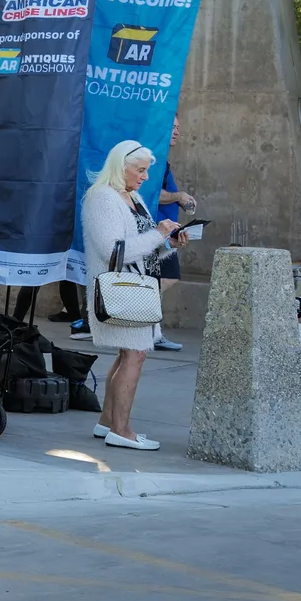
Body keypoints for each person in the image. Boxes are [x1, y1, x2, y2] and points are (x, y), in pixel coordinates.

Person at [80, 138, 184, 451]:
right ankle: (121, 431)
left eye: (146, 170)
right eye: (139, 170)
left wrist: (168, 244)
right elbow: (115, 250)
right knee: (135, 355)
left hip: (133, 290)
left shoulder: (131, 196)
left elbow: (143, 250)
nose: (145, 176)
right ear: (119, 166)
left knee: (128, 354)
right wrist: (159, 235)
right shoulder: (102, 198)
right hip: (121, 292)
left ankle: (107, 423)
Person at [150, 118, 196, 353]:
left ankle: (151, 331)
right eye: (173, 127)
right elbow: (152, 193)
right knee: (160, 281)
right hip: (156, 230)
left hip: (166, 230)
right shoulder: (154, 159)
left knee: (164, 279)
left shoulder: (161, 159)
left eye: (179, 126)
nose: (177, 131)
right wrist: (179, 196)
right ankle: (149, 331)